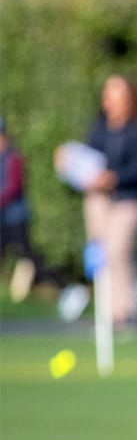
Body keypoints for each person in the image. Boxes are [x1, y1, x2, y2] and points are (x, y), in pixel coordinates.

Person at [82, 74, 137, 327]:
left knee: (117, 252)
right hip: (98, 199)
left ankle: (123, 311)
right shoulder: (99, 128)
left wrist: (113, 178)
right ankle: (104, 310)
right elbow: (88, 158)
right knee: (99, 253)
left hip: (126, 199)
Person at [1, 115, 44, 303]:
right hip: (3, 217)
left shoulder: (13, 157)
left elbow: (14, 187)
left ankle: (61, 287)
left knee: (28, 254)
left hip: (15, 217)